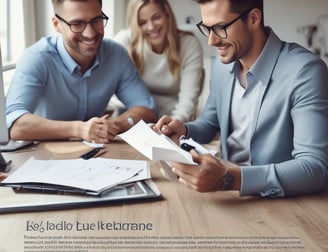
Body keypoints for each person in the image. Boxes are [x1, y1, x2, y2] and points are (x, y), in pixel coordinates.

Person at [153, 0, 328, 197]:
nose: (211, 41)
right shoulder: (221, 65)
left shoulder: (305, 72)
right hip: (227, 195)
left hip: (282, 203)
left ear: (253, 18)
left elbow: (315, 168)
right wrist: (185, 130)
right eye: (207, 28)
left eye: (220, 28)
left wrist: (230, 178)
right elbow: (210, 123)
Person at [5, 0, 157, 144]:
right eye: (77, 24)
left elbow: (146, 109)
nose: (90, 33)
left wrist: (114, 125)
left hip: (96, 155)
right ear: (57, 24)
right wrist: (78, 129)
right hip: (42, 156)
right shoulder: (37, 58)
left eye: (96, 21)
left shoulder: (116, 54)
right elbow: (14, 123)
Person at [114, 0, 204, 122]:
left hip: (174, 118)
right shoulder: (125, 41)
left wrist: (172, 126)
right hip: (134, 118)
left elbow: (188, 100)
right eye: (142, 22)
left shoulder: (189, 44)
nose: (151, 27)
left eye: (156, 17)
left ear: (167, 14)